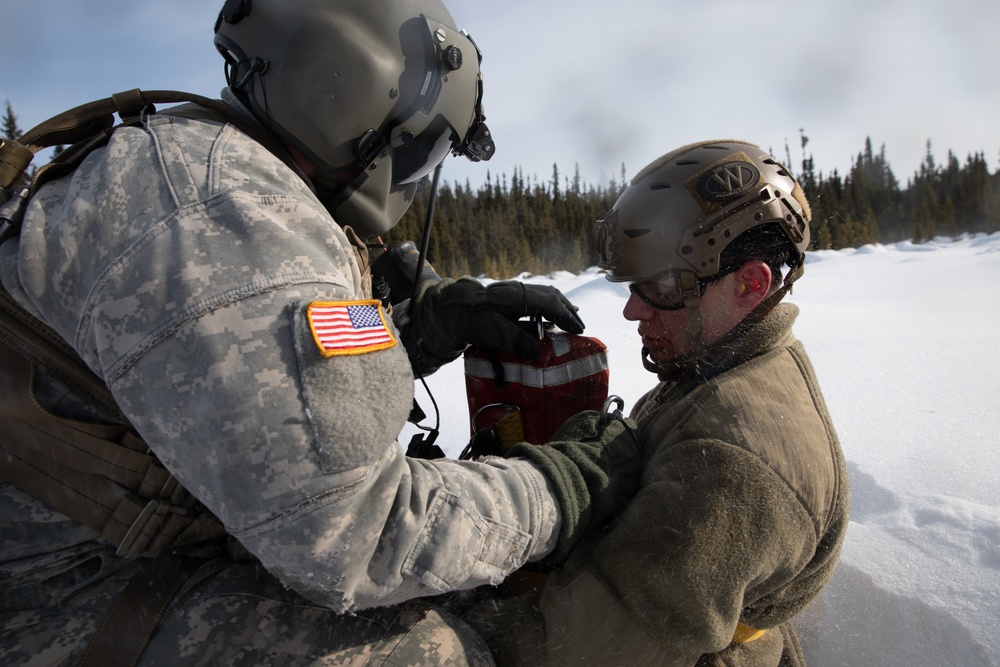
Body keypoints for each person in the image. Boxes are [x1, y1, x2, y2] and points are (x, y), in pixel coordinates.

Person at [0, 1, 639, 664]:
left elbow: (236, 369)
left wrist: (417, 323)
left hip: (123, 548)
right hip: (53, 598)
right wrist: (559, 487)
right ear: (355, 94)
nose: (412, 180)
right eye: (418, 149)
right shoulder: (226, 210)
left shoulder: (208, 164)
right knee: (428, 654)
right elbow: (357, 539)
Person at [462, 141, 850, 666]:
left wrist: (454, 611)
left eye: (664, 285)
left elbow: (578, 654)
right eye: (635, 285)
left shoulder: (733, 458)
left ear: (751, 284)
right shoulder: (713, 365)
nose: (630, 310)